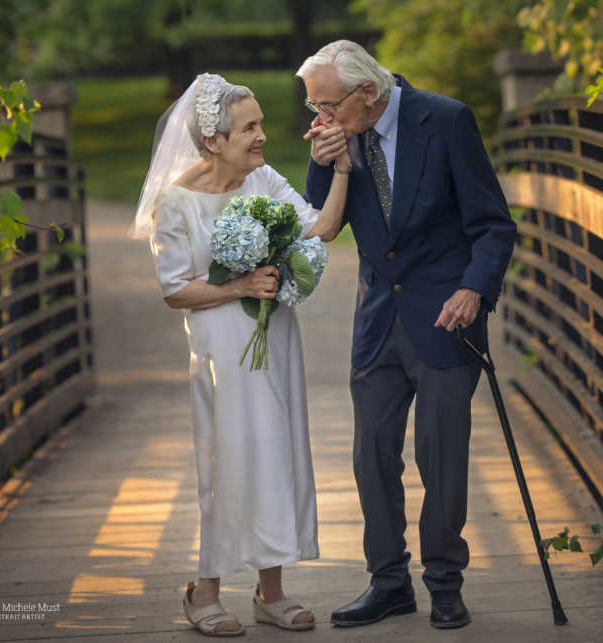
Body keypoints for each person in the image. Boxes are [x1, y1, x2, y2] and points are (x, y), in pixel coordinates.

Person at [296, 41, 516, 630]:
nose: (318, 117)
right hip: (376, 321)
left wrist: (475, 290)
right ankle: (388, 581)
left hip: (448, 317)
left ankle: (445, 581)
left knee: (440, 457)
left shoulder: (445, 120)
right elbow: (322, 223)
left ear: (366, 93)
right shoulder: (337, 134)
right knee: (371, 457)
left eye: (326, 105)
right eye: (311, 106)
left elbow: (494, 225)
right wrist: (328, 160)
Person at [129, 73, 350, 637]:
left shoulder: (265, 179)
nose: (262, 137)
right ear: (212, 141)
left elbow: (322, 227)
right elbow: (175, 289)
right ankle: (204, 589)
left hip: (274, 339)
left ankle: (270, 593)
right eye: (249, 127)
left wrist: (342, 169)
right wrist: (238, 288)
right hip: (221, 348)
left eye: (260, 124)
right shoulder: (175, 202)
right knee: (226, 460)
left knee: (276, 452)